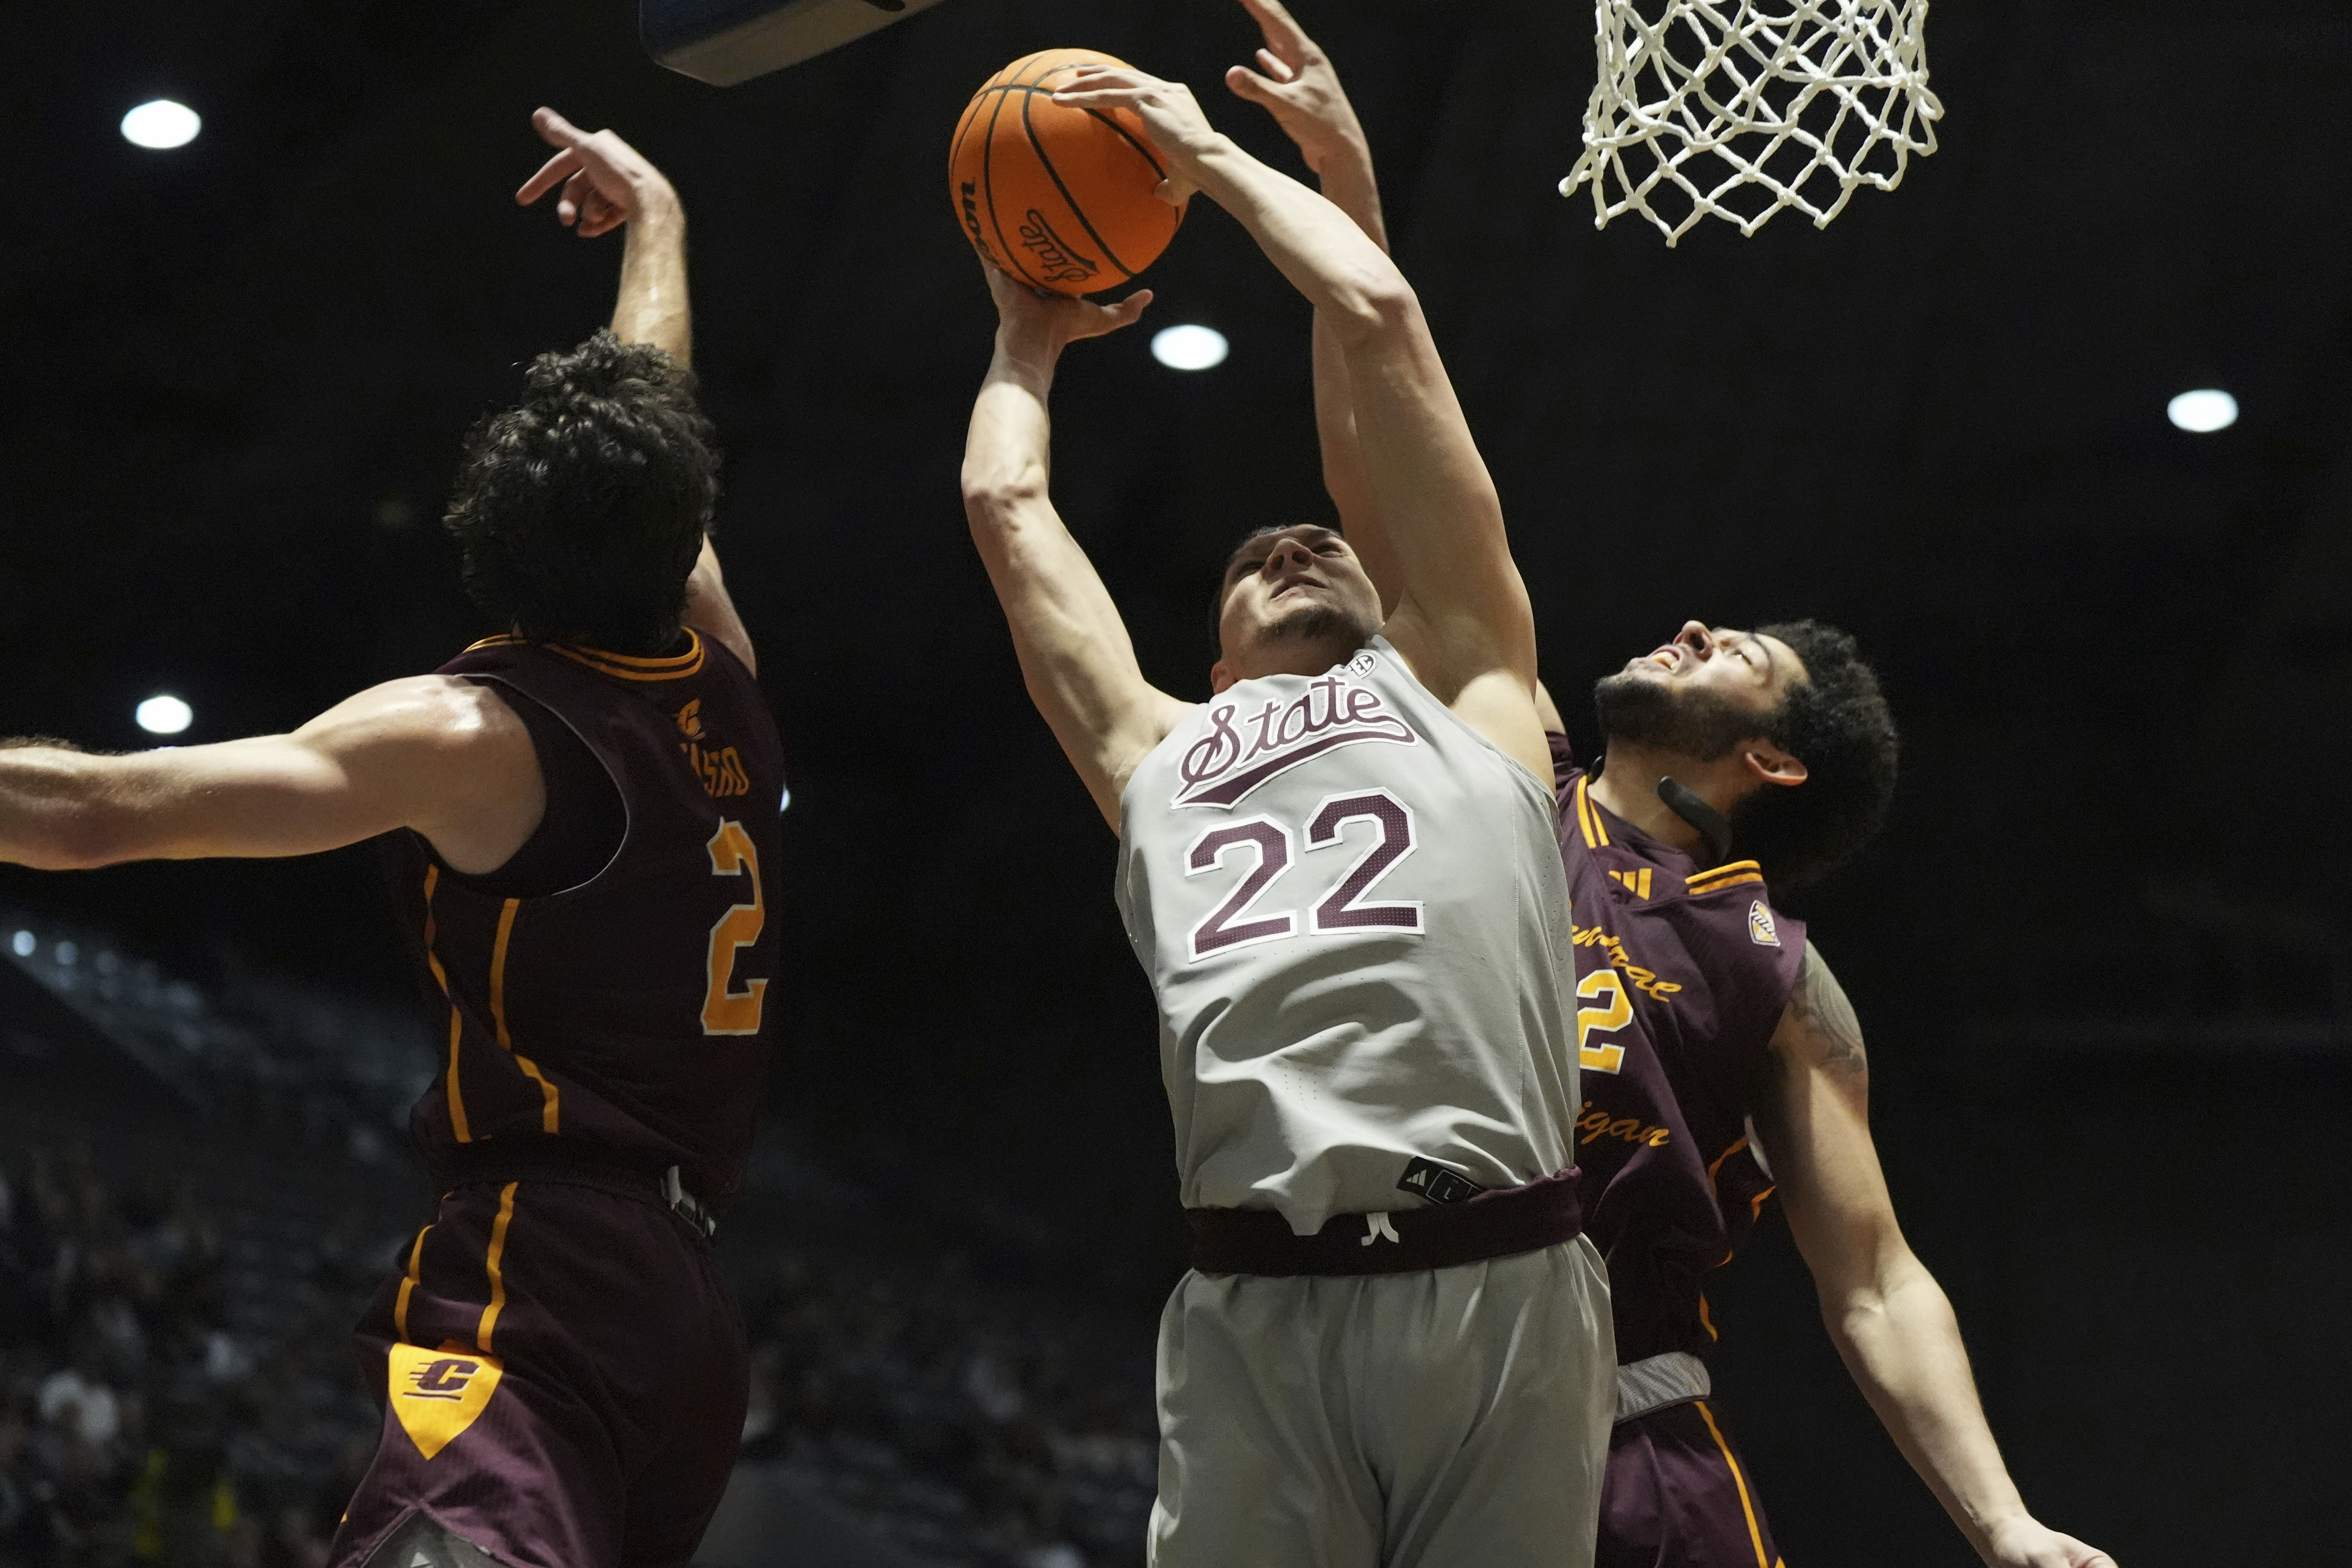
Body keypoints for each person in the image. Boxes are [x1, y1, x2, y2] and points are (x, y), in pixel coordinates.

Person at [1221, 4, 2118, 1565]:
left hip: (1620, 1439)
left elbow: (1874, 1273)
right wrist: (1346, 194)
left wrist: (2004, 1519)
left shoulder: (1776, 977)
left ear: (1771, 758)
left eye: (1737, 653)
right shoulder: (1507, 767)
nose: (1694, 626)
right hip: (1385, 1407)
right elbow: (1384, 479)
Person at [0, 110, 781, 1568]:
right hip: (689, 1314)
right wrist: (661, 225)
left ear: (488, 547)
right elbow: (655, 414)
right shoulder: (719, 667)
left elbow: (97, 816)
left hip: (546, 1267)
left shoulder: (475, 732)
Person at [960, 53, 1612, 1568]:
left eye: (1325, 542)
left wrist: (1256, 168)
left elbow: (1378, 321)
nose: (1298, 546)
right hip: (1259, 1293)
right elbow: (1005, 506)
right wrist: (1025, 340)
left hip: (1500, 1270)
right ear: (1215, 662)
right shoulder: (1155, 750)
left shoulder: (1475, 685)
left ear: (1393, 600)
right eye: (1257, 559)